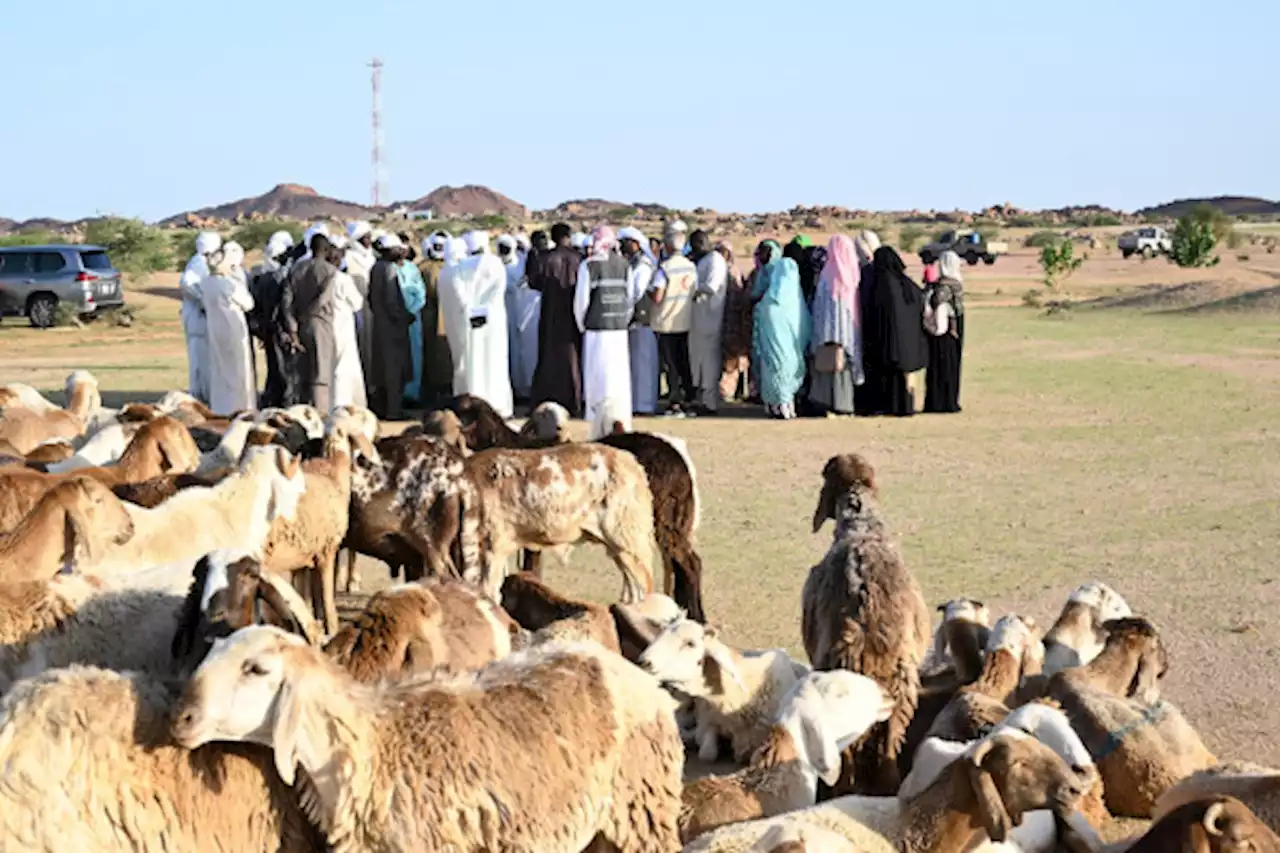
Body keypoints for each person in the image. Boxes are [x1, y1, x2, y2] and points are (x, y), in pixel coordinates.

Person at [440, 231, 514, 417]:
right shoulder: (495, 263)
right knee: (494, 361)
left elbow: (459, 292)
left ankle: (472, 402)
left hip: (470, 321)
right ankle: (497, 405)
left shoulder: (460, 267)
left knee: (473, 361)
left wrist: (470, 310)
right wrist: (485, 310)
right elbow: (497, 291)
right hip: (492, 320)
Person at [573, 225, 633, 431]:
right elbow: (630, 299)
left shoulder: (588, 266)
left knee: (597, 373)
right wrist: (623, 319)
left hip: (596, 329)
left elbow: (581, 301)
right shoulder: (625, 265)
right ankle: (620, 413)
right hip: (619, 329)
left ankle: (595, 413)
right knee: (617, 375)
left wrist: (582, 324)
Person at [858, 245, 927, 417]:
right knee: (903, 378)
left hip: (886, 341)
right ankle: (904, 406)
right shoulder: (907, 284)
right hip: (909, 341)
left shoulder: (881, 284)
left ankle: (887, 406)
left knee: (887, 377)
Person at [750, 240, 810, 420]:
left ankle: (781, 404)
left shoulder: (784, 301)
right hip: (779, 341)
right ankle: (779, 405)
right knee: (777, 366)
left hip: (781, 340)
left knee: (780, 366)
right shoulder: (781, 300)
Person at [528, 223, 584, 416]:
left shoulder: (545, 258)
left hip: (550, 313)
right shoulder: (580, 259)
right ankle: (575, 401)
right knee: (573, 358)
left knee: (548, 356)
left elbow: (534, 282)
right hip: (573, 314)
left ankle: (548, 399)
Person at [807, 234, 864, 416]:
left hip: (825, 332)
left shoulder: (826, 275)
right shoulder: (850, 274)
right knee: (842, 366)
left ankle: (827, 404)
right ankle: (842, 405)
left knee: (829, 366)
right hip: (847, 331)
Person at [285, 232, 341, 413]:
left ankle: (302, 414)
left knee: (303, 373)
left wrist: (293, 328)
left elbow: (286, 301)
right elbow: (323, 299)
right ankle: (321, 415)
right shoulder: (329, 271)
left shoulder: (296, 269)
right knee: (320, 375)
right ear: (325, 250)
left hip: (299, 326)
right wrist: (308, 314)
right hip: (320, 324)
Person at [648, 220, 698, 417]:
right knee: (684, 361)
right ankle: (688, 400)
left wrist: (647, 293)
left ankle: (675, 403)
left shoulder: (664, 268)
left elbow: (658, 296)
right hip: (685, 320)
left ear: (667, 246)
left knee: (671, 365)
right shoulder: (691, 267)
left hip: (666, 322)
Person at [201, 242, 256, 415]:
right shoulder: (228, 284)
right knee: (239, 369)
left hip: (215, 329)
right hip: (233, 329)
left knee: (219, 368)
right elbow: (248, 304)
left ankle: (220, 406)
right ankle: (240, 407)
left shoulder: (206, 283)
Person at [366, 234, 415, 419]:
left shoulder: (375, 267)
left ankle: (386, 408)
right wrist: (403, 317)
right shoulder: (389, 269)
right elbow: (392, 301)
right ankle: (394, 411)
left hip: (381, 325)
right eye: (396, 248)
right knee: (394, 370)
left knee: (384, 368)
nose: (400, 251)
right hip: (393, 328)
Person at [247, 230, 295, 408]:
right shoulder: (277, 279)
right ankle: (285, 403)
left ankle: (271, 399)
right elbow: (282, 306)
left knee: (274, 366)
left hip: (267, 329)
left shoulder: (259, 278)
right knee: (285, 369)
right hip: (278, 328)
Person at [619, 227, 659, 416]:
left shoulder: (643, 266)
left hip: (642, 320)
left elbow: (635, 293)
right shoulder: (632, 263)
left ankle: (644, 405)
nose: (623, 246)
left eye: (626, 242)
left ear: (635, 244)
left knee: (644, 364)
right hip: (633, 321)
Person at [688, 229, 727, 415]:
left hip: (710, 319)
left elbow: (711, 286)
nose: (695, 247)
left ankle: (710, 404)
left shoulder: (715, 260)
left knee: (709, 362)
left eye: (698, 243)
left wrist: (691, 291)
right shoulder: (701, 260)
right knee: (698, 362)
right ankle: (701, 400)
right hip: (698, 320)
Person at [180, 231, 221, 403]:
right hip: (197, 319)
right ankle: (201, 395)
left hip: (197, 317)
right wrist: (204, 301)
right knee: (200, 361)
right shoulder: (199, 264)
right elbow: (187, 283)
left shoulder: (200, 262)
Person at [327, 240, 368, 410]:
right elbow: (357, 302)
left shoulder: (321, 276)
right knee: (344, 366)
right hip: (343, 326)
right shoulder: (342, 279)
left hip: (326, 326)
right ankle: (344, 403)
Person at [498, 234, 539, 402]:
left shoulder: (521, 264)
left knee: (527, 352)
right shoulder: (495, 265)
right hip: (505, 314)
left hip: (524, 315)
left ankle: (527, 388)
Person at [923, 250, 965, 414]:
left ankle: (937, 401)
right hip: (956, 328)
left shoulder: (943, 287)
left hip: (943, 331)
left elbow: (936, 302)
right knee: (953, 365)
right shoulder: (958, 285)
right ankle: (951, 400)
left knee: (938, 366)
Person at [416, 234, 454, 409]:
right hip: (431, 315)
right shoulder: (427, 267)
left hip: (440, 315)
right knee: (433, 354)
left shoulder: (445, 266)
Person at [716, 240, 752, 403]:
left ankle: (733, 391)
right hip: (722, 320)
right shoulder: (719, 271)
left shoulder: (732, 272)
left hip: (732, 320)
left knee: (734, 358)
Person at [344, 221, 377, 393]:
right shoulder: (347, 258)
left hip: (373, 308)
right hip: (355, 309)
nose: (369, 241)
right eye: (365, 238)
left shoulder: (372, 257)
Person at [396, 247, 428, 407]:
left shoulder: (412, 268)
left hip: (413, 318)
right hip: (395, 319)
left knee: (415, 354)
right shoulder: (389, 269)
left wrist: (412, 311)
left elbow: (421, 292)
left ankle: (413, 393)